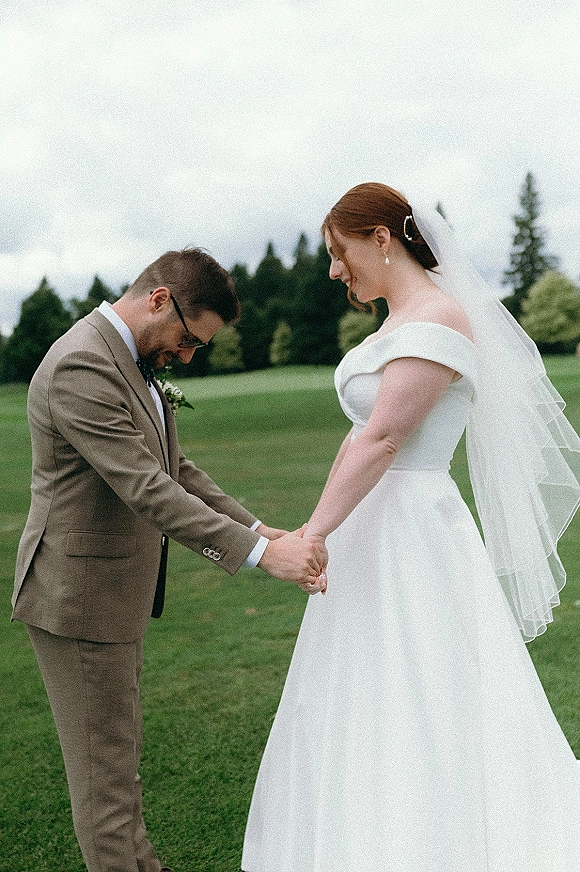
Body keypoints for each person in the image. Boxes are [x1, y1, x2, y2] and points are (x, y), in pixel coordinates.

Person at [242, 183, 580, 872]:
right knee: (357, 690)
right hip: (370, 527)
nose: (335, 270)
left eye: (340, 252)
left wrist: (313, 536)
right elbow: (358, 438)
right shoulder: (396, 325)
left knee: (427, 684)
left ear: (382, 237)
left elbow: (387, 438)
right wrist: (317, 529)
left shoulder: (440, 318)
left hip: (414, 531)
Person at [11, 247, 328, 872]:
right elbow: (147, 490)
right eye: (187, 340)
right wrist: (262, 555)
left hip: (110, 597)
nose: (186, 357)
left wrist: (258, 525)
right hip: (76, 601)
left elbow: (175, 469)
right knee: (107, 790)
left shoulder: (130, 358)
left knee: (118, 768)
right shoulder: (83, 364)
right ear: (158, 299)